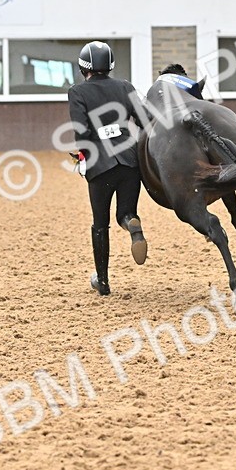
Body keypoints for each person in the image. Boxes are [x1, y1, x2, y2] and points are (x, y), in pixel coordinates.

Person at [68, 41, 149, 296]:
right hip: (129, 160)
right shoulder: (125, 87)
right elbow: (145, 121)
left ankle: (102, 282)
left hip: (100, 164)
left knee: (100, 224)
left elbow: (81, 133)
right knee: (125, 213)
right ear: (111, 65)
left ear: (83, 67)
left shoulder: (77, 92)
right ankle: (132, 225)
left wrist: (82, 160)